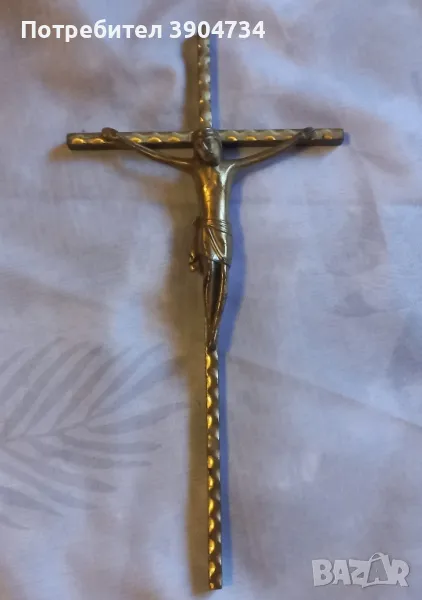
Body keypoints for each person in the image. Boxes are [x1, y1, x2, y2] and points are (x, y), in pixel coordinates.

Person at [101, 126, 315, 349]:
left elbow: (265, 155)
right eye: (200, 146)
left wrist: (296, 140)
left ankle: (214, 328)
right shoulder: (196, 169)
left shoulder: (229, 168)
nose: (206, 148)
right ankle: (209, 328)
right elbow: (156, 156)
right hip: (205, 230)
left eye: (209, 143)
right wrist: (122, 140)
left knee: (222, 278)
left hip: (222, 231)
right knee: (209, 276)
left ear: (218, 145)